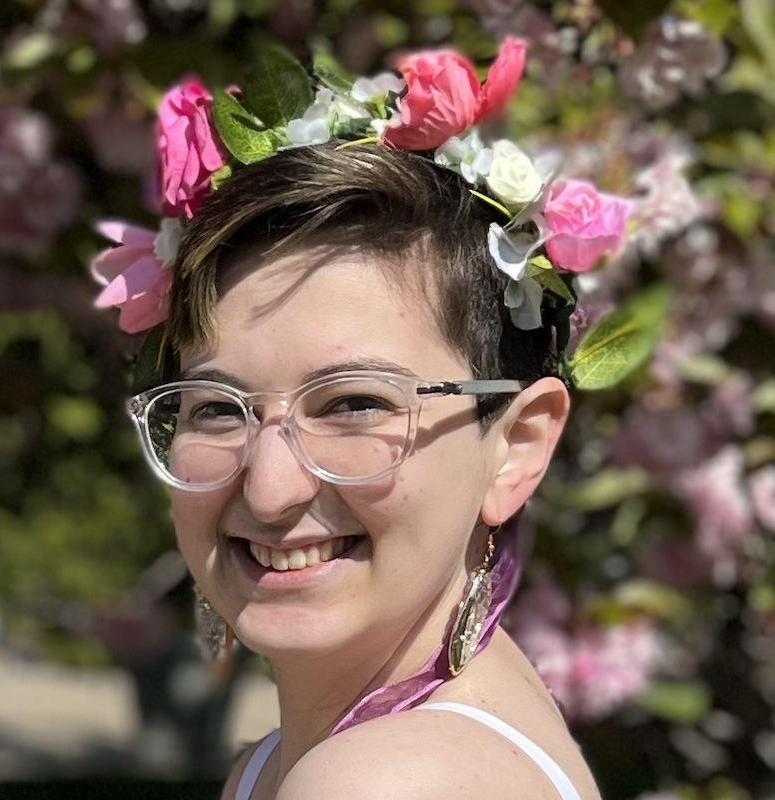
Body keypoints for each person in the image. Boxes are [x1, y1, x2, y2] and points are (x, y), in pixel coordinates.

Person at [93, 36, 633, 800]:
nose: (272, 488)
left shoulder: (384, 779)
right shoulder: (330, 753)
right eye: (217, 408)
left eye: (354, 404)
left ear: (516, 444)